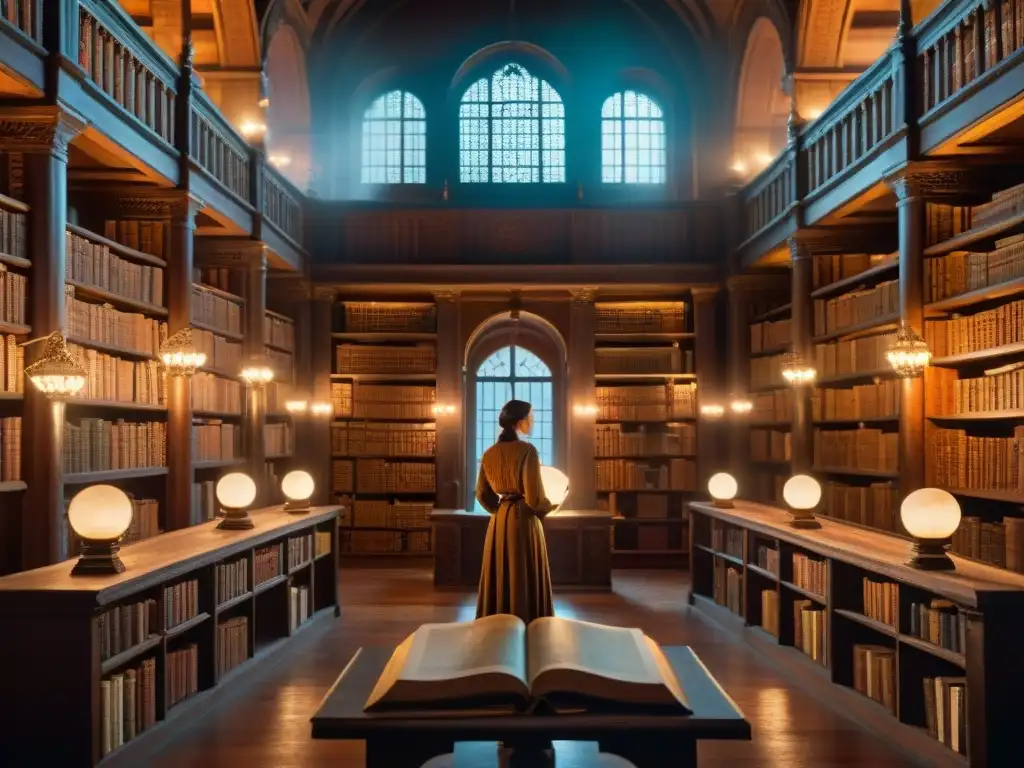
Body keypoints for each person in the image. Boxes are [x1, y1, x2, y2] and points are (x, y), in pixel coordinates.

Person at [475, 399, 562, 623]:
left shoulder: (489, 453)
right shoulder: (527, 451)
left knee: (502, 571)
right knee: (523, 570)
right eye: (531, 417)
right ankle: (529, 620)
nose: (533, 421)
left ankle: (499, 620)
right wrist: (549, 507)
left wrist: (499, 509)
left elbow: (482, 493)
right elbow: (534, 497)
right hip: (523, 518)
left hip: (499, 519)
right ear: (519, 421)